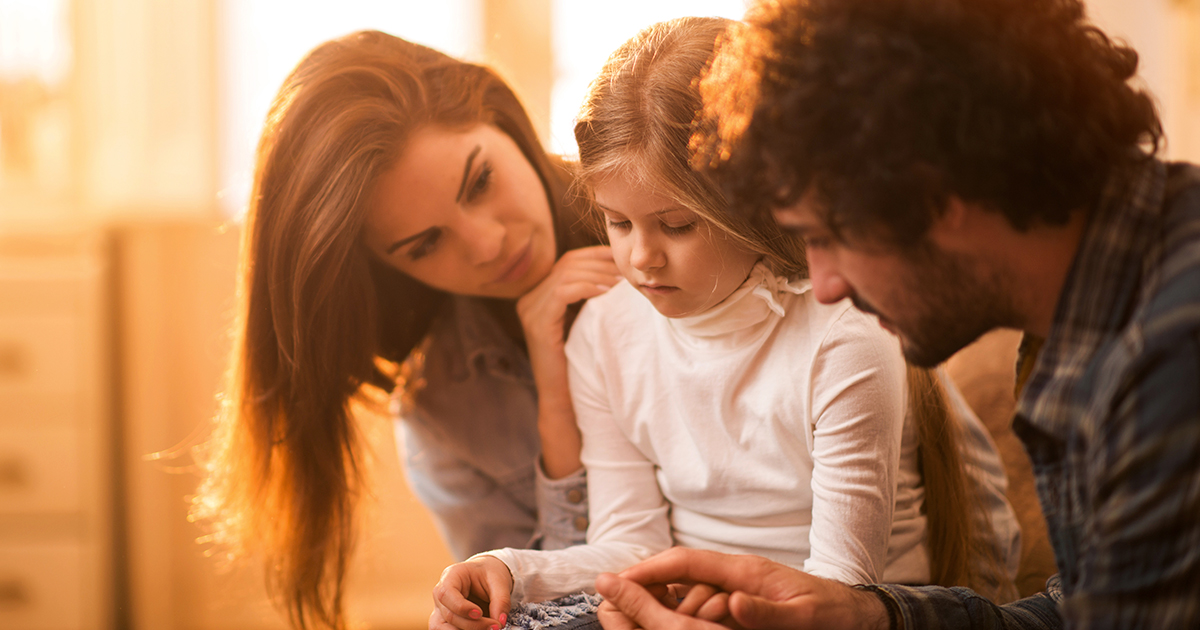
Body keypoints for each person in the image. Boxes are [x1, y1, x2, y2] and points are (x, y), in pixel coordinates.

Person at [594, 0, 1200, 629]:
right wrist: (870, 616)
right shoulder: (1086, 317)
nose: (824, 285)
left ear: (934, 193)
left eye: (825, 235)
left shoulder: (1166, 361)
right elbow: (1076, 614)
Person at [431, 18, 1021, 630]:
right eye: (619, 223)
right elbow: (632, 547)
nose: (642, 258)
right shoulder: (605, 331)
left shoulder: (845, 331)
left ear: (759, 202)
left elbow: (841, 590)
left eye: (677, 225)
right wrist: (510, 569)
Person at [191, 31, 623, 630]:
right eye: (424, 245)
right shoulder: (443, 415)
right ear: (388, 270)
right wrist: (556, 396)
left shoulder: (682, 215)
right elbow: (549, 612)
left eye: (479, 182)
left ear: (499, 116)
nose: (488, 243)